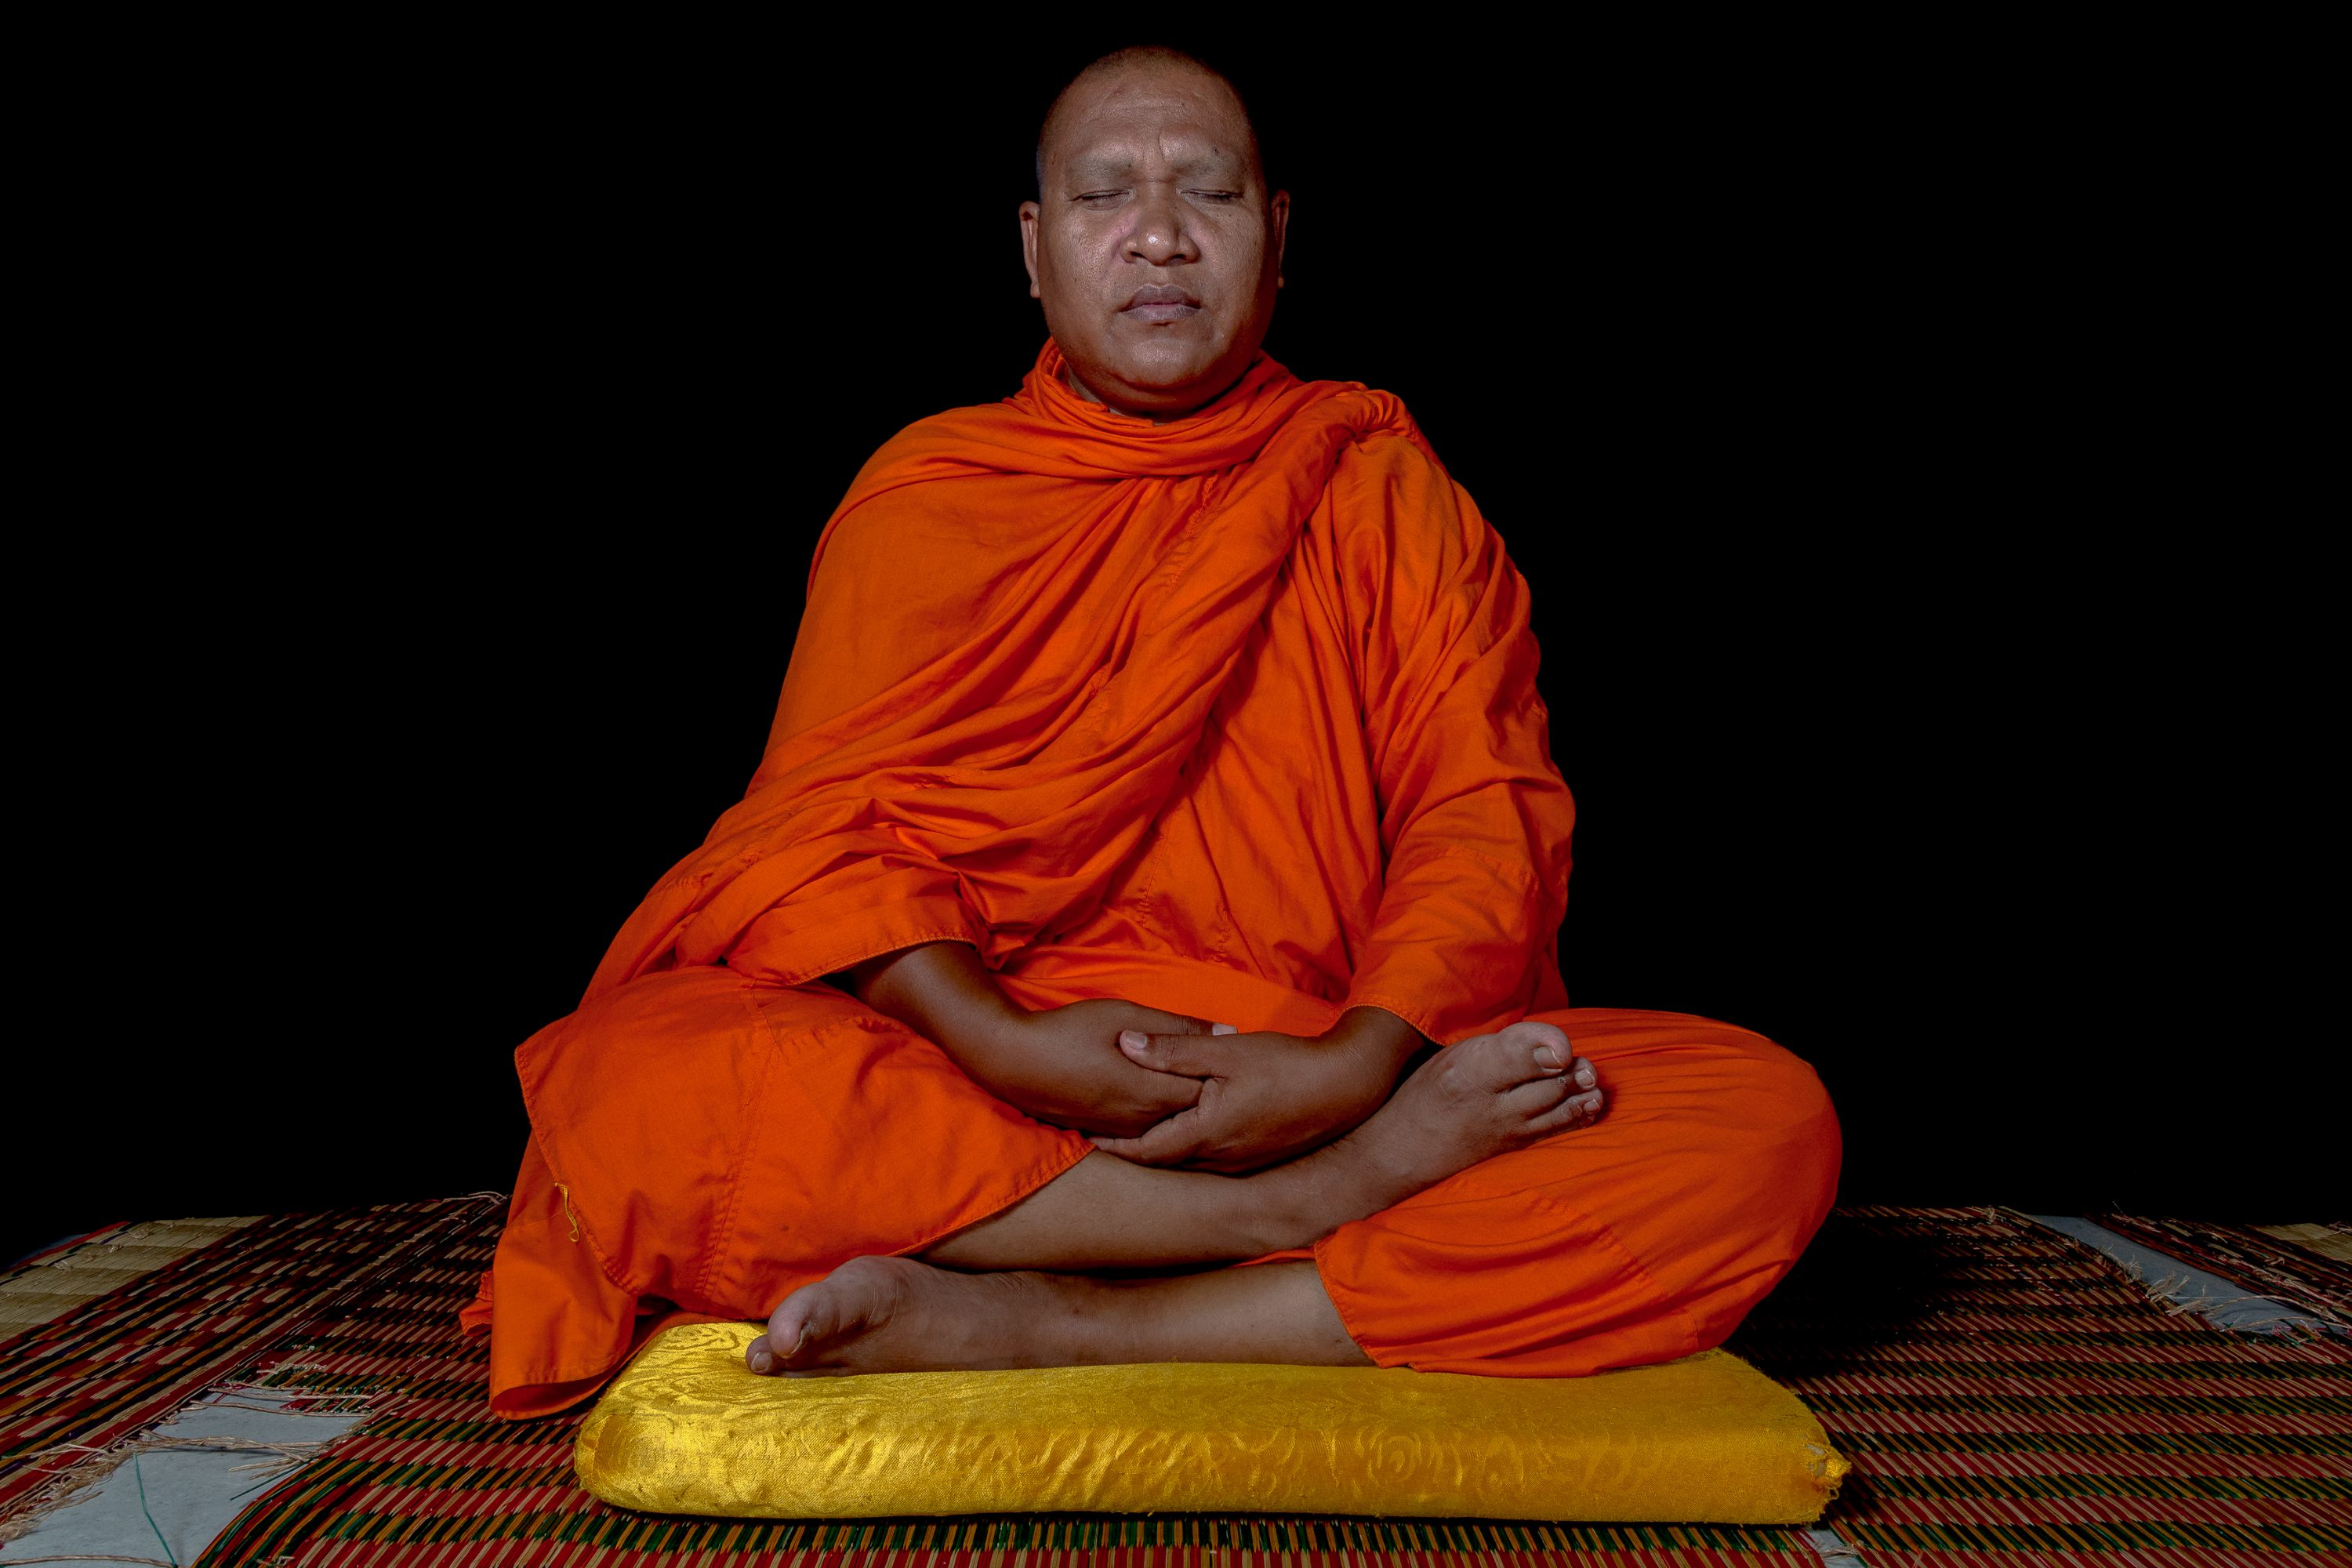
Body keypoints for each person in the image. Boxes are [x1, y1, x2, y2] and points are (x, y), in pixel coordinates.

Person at [461, 45, 1838, 1417]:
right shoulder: (931, 493)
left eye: (1211, 193)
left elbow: (1482, 814)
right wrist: (997, 1038)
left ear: (1278, 234)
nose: (1162, 235)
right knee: (644, 1073)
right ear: (1035, 247)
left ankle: (1042, 1319)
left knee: (1759, 1124)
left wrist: (1350, 1067)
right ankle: (1310, 1220)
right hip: (1000, 1079)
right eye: (1106, 195)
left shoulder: (1380, 489)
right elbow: (820, 846)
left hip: (1326, 1062)